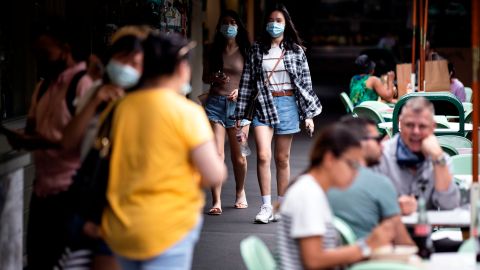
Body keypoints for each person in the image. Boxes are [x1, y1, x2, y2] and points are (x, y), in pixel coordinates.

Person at [101, 33, 227, 270]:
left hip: (120, 226)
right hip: (168, 227)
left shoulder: (120, 108)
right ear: (181, 68)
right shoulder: (187, 112)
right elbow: (214, 174)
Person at [61, 26, 150, 270]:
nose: (127, 67)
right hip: (87, 206)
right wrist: (97, 99)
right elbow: (68, 142)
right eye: (122, 58)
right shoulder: (93, 91)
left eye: (136, 62)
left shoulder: (147, 102)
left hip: (124, 214)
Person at [9, 21, 93, 269]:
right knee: (40, 260)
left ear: (65, 49)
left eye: (45, 54)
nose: (41, 60)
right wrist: (24, 136)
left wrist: (38, 140)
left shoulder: (84, 85)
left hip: (73, 193)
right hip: (42, 192)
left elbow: (86, 143)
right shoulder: (42, 86)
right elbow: (34, 127)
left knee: (68, 263)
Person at [234, 3, 322, 224]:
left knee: (282, 158)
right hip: (264, 103)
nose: (274, 24)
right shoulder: (256, 49)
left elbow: (305, 84)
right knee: (264, 155)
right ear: (265, 24)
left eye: (279, 21)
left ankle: (280, 205)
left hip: (288, 104)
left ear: (286, 24)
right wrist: (241, 115)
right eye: (271, 20)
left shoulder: (296, 51)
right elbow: (247, 83)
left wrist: (308, 115)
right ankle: (265, 207)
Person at [276, 123, 395, 270]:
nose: (356, 173)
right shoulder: (308, 194)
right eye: (352, 165)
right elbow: (313, 260)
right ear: (330, 159)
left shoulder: (312, 190)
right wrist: (367, 246)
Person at [328, 116, 414, 245]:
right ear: (360, 143)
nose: (383, 145)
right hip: (372, 260)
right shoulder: (379, 184)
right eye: (377, 139)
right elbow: (404, 243)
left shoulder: (323, 181)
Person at [373, 97, 460, 215]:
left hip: (426, 231)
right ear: (400, 124)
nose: (416, 132)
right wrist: (394, 207)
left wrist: (438, 158)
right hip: (389, 230)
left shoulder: (440, 158)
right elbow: (368, 205)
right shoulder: (382, 156)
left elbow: (449, 205)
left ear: (433, 127)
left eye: (422, 126)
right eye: (409, 125)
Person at [202, 10, 251, 215]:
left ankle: (240, 193)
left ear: (238, 26)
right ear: (219, 27)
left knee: (239, 156)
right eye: (224, 22)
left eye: (232, 22)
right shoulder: (212, 49)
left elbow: (253, 80)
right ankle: (216, 200)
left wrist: (240, 90)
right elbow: (205, 77)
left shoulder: (247, 50)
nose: (228, 26)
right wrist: (215, 78)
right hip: (215, 104)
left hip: (240, 108)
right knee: (217, 154)